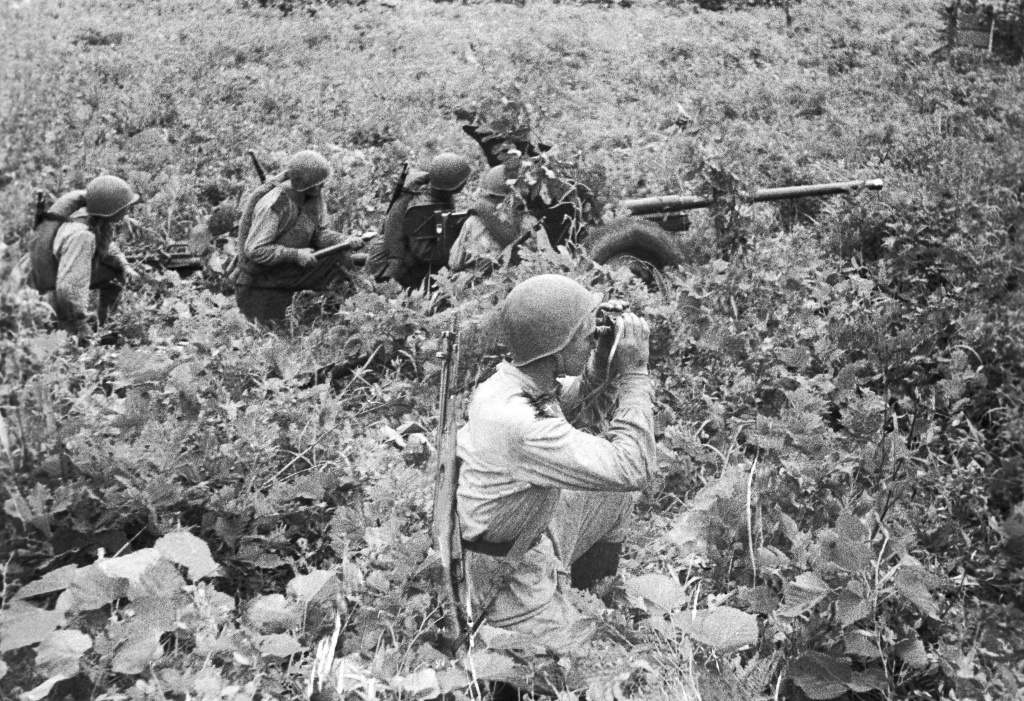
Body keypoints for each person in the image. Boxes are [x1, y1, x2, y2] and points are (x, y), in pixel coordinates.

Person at [455, 274, 655, 650]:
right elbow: (634, 467)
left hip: (525, 536)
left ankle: (590, 596)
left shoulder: (509, 384)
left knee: (612, 499)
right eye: (585, 335)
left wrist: (601, 355)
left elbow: (571, 399)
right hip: (507, 584)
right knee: (598, 661)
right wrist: (634, 374)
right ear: (557, 351)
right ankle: (557, 615)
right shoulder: (520, 424)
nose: (592, 336)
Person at [232, 150, 362, 325]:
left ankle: (344, 315)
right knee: (275, 322)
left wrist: (344, 241)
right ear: (306, 185)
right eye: (318, 184)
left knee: (340, 260)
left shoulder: (312, 196)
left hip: (287, 270)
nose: (322, 187)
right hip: (262, 279)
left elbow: (320, 234)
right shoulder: (275, 205)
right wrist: (295, 254)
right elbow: (255, 251)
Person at [44, 175, 141, 341]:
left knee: (115, 273)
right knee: (72, 340)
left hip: (60, 280)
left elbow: (107, 249)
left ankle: (106, 324)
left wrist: (125, 267)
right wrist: (80, 324)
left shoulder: (98, 222)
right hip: (50, 292)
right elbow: (69, 287)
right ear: (111, 209)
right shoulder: (82, 236)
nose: (127, 210)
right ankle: (64, 329)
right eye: (124, 207)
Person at [366, 152, 472, 290]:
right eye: (463, 181)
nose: (466, 182)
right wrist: (454, 248)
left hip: (399, 248)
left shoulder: (424, 186)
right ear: (456, 186)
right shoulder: (423, 208)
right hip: (392, 265)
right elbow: (423, 253)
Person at [447, 160, 552, 276]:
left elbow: (455, 263)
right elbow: (548, 262)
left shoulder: (472, 222)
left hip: (480, 285)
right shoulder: (531, 223)